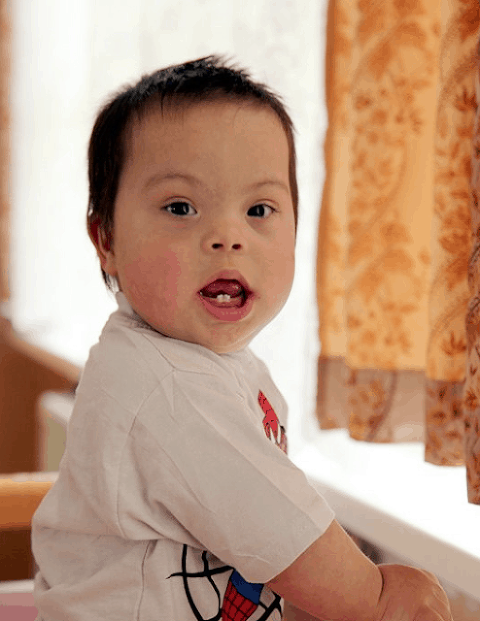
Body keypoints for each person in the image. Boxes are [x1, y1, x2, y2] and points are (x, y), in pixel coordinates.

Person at [31, 55, 452, 621]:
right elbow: (309, 560)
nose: (228, 236)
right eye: (181, 207)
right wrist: (383, 594)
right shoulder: (169, 388)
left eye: (259, 209)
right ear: (105, 239)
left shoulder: (206, 363)